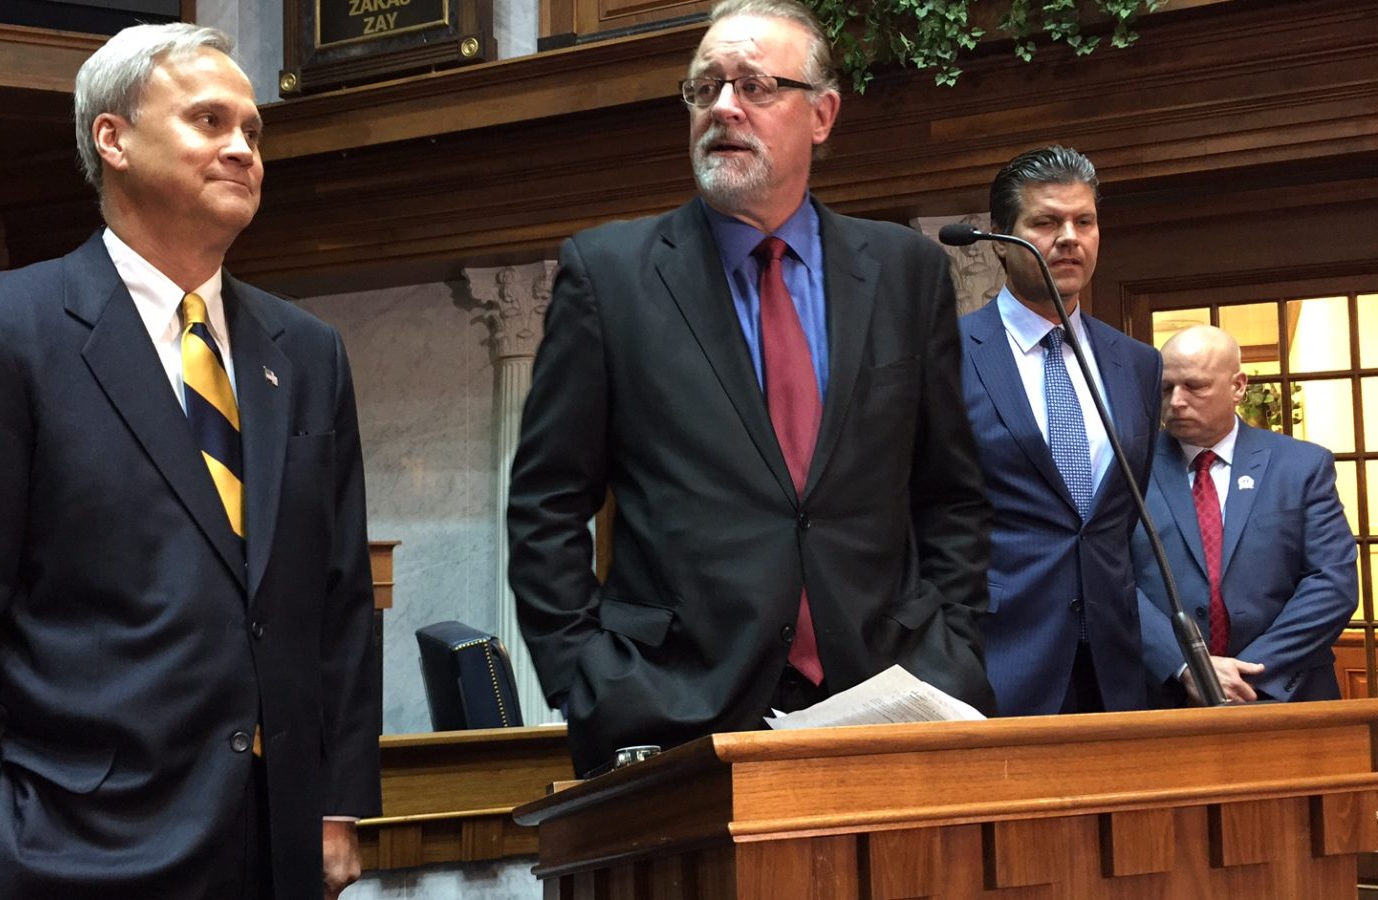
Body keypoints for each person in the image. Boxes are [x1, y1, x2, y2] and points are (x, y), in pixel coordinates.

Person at [0, 24, 379, 900]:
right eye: (209, 121)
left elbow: (337, 600)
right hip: (65, 849)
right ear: (113, 138)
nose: (242, 147)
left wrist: (335, 803)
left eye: (253, 130)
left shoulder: (308, 350)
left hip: (274, 851)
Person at [507, 0, 995, 777]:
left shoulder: (907, 273)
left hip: (887, 701)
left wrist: (953, 649)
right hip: (677, 713)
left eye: (756, 86)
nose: (724, 108)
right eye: (705, 89)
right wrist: (591, 679)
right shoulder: (610, 277)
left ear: (823, 113)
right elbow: (546, 506)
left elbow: (950, 494)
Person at [959, 146, 1162, 716]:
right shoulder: (944, 354)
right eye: (1046, 222)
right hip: (994, 659)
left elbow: (1120, 519)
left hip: (1115, 665)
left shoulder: (1138, 364)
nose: (1069, 237)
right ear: (1002, 238)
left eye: (1085, 221)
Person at [1134, 324, 1356, 705]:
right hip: (1165, 696)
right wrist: (1189, 666)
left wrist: (1248, 671)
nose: (1176, 402)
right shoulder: (1128, 468)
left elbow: (1332, 582)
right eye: (1166, 388)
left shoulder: (1301, 466)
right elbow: (1111, 579)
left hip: (1283, 692)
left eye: (1195, 386)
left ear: (1238, 386)